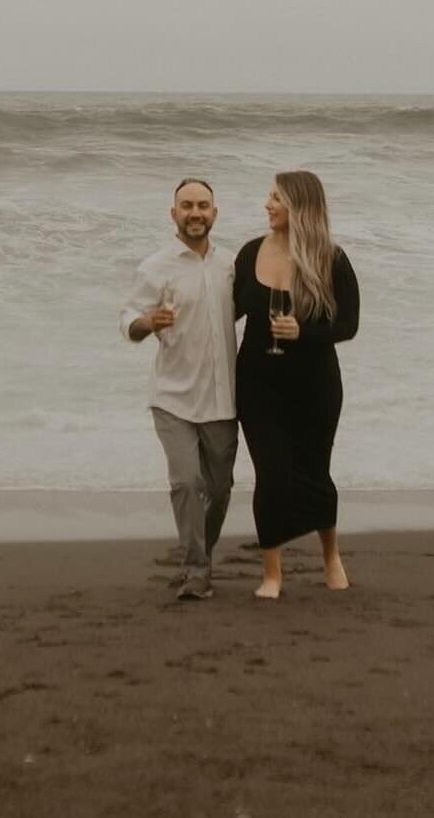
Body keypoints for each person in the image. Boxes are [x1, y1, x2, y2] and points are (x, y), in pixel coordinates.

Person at [234, 169, 359, 600]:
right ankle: (272, 574)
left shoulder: (332, 259)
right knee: (270, 474)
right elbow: (225, 311)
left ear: (299, 207)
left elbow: (349, 325)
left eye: (276, 198)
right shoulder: (250, 252)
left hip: (315, 385)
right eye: (268, 196)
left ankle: (331, 557)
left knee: (314, 472)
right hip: (257, 384)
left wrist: (302, 333)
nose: (267, 205)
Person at [119, 177, 238, 600]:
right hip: (172, 396)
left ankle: (197, 554)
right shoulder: (155, 267)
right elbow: (128, 320)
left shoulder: (231, 265)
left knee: (221, 490)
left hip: (223, 399)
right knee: (186, 482)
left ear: (214, 213)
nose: (195, 213)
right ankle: (195, 569)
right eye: (186, 206)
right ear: (173, 214)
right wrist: (147, 323)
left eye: (203, 206)